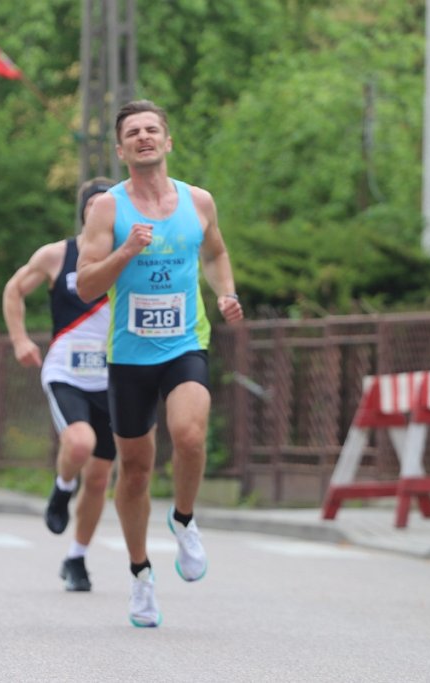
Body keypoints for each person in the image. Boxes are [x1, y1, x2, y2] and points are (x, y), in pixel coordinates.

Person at [75, 100, 243, 628]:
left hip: (184, 344)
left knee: (190, 435)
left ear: (168, 142)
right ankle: (140, 574)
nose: (144, 137)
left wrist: (225, 293)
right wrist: (125, 252)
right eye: (133, 133)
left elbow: (214, 253)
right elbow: (84, 286)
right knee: (136, 470)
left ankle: (185, 520)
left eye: (153, 130)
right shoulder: (106, 207)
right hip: (129, 356)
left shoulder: (199, 201)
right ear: (122, 149)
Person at [3, 176, 145, 593]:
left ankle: (77, 558)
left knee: (100, 476)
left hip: (113, 376)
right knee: (79, 444)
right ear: (86, 212)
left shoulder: (131, 256)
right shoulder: (56, 255)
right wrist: (20, 340)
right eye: (97, 207)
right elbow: (14, 289)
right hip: (66, 370)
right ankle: (62, 487)